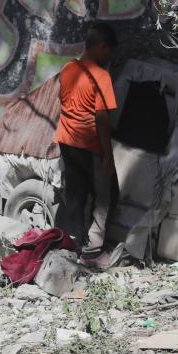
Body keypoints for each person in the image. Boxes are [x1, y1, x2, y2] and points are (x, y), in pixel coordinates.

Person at [54, 21, 120, 269]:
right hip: (89, 145)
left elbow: (64, 103)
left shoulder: (68, 68)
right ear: (102, 47)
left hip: (67, 142)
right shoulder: (101, 77)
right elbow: (102, 119)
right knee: (107, 196)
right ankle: (92, 252)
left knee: (76, 197)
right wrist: (108, 158)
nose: (110, 57)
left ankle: (66, 248)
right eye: (110, 51)